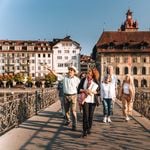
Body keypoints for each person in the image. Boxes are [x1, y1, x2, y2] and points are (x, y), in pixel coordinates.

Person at [48, 66, 80, 131]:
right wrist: (50, 70)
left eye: (71, 70)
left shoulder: (77, 79)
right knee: (66, 110)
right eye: (69, 70)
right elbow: (56, 74)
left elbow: (79, 87)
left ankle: (74, 125)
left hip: (73, 96)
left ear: (74, 72)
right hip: (65, 95)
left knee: (73, 111)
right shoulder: (64, 77)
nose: (70, 71)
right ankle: (68, 120)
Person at [77, 68, 99, 138]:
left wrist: (94, 92)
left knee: (90, 115)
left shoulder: (95, 81)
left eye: (89, 74)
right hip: (85, 100)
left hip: (92, 101)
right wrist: (85, 90)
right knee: (85, 115)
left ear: (92, 74)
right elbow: (78, 90)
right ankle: (84, 131)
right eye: (87, 73)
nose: (88, 75)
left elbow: (98, 91)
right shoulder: (83, 80)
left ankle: (89, 128)